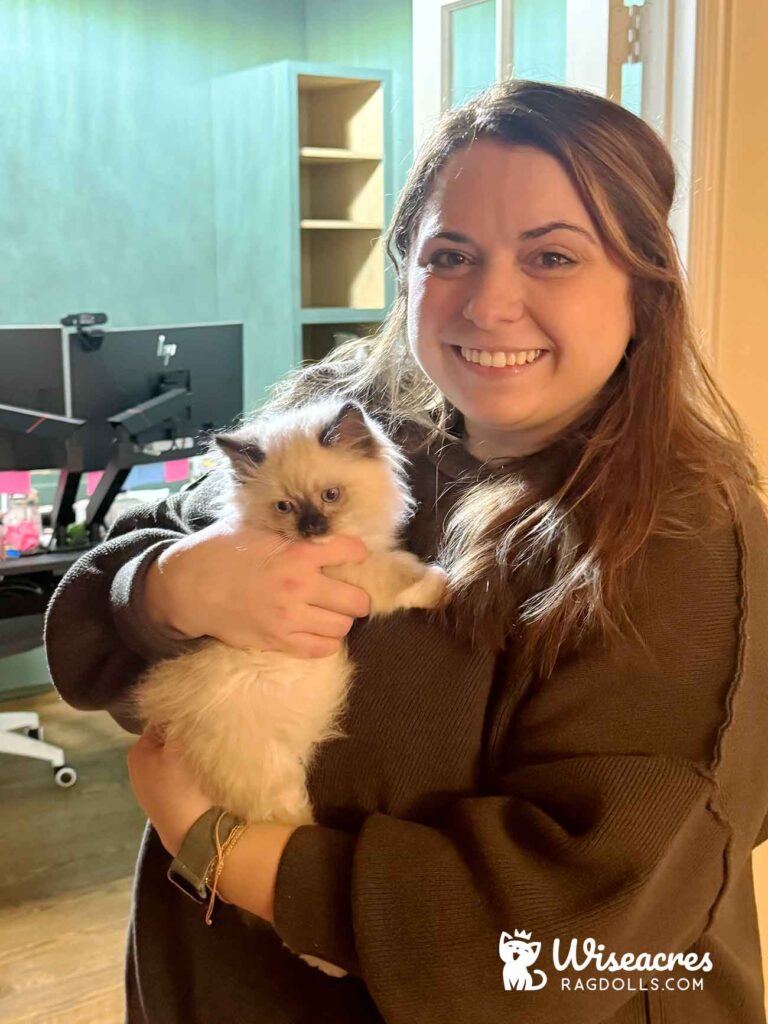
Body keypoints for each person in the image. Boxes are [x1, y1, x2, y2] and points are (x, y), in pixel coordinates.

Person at [45, 79, 768, 1024]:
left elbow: (554, 951)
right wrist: (169, 586)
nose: (491, 303)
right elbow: (90, 639)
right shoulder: (347, 411)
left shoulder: (684, 543)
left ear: (643, 283)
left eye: (553, 255)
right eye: (452, 254)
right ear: (406, 272)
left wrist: (214, 843)